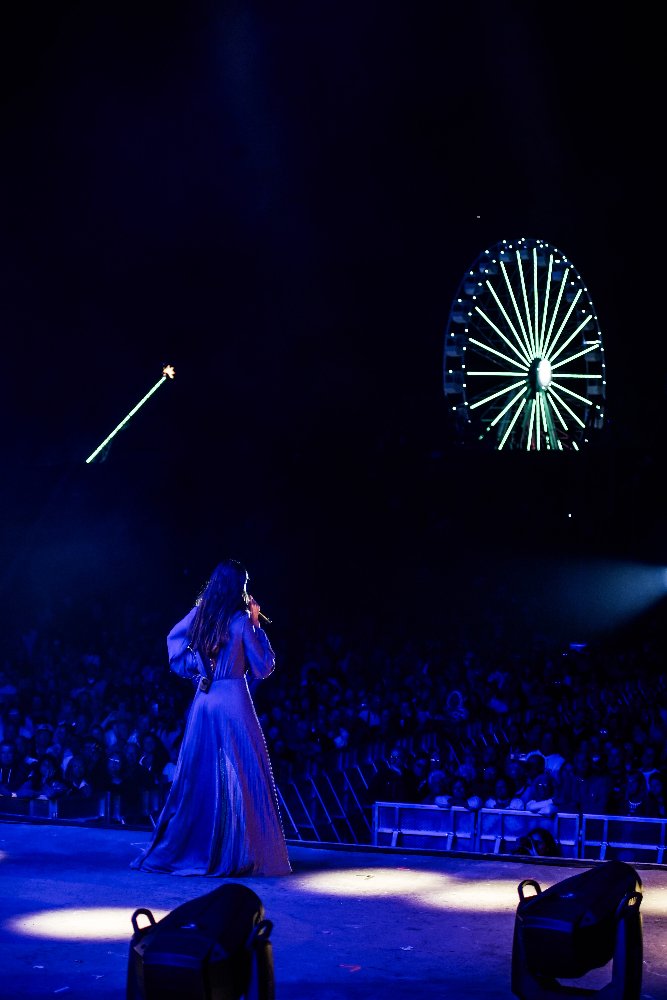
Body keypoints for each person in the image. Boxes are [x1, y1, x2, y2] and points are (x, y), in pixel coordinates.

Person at [131, 558, 291, 876]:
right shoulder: (242, 621)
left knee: (200, 774)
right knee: (244, 771)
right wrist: (257, 627)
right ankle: (240, 847)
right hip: (233, 699)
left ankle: (200, 844)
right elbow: (263, 667)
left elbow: (173, 639)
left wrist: (196, 667)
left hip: (205, 700)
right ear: (239, 586)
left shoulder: (202, 614)